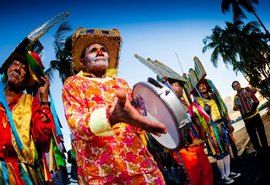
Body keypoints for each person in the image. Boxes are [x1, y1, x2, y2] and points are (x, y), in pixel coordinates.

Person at [62, 27, 167, 184]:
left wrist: (152, 117)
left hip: (139, 165)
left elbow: (139, 117)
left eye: (103, 49)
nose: (100, 52)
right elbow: (75, 123)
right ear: (83, 61)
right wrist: (109, 117)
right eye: (93, 50)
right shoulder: (73, 83)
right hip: (100, 172)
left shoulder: (122, 84)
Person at [0, 50, 56, 184]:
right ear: (8, 69)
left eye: (24, 68)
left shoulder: (30, 102)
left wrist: (43, 98)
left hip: (20, 174)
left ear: (26, 78)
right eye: (15, 64)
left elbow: (42, 134)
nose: (18, 68)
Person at [163, 77, 213, 185]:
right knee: (193, 177)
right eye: (177, 85)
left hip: (196, 143)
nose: (181, 88)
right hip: (184, 148)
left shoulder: (185, 103)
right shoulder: (166, 106)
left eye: (181, 86)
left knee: (207, 171)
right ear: (169, 87)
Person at [193, 79, 241, 184]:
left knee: (227, 150)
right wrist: (204, 112)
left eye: (204, 85)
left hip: (221, 126)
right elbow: (196, 118)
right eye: (200, 86)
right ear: (197, 89)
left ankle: (228, 173)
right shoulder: (197, 102)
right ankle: (223, 176)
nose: (203, 87)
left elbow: (221, 109)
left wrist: (227, 123)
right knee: (219, 153)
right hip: (211, 129)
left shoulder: (213, 96)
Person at [232, 80, 268, 156]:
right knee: (252, 136)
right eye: (235, 86)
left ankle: (265, 148)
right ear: (234, 88)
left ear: (239, 84)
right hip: (247, 119)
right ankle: (258, 150)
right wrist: (236, 107)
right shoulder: (235, 98)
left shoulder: (247, 89)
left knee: (261, 132)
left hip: (255, 114)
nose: (237, 86)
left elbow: (255, 89)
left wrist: (251, 93)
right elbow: (234, 107)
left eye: (237, 84)